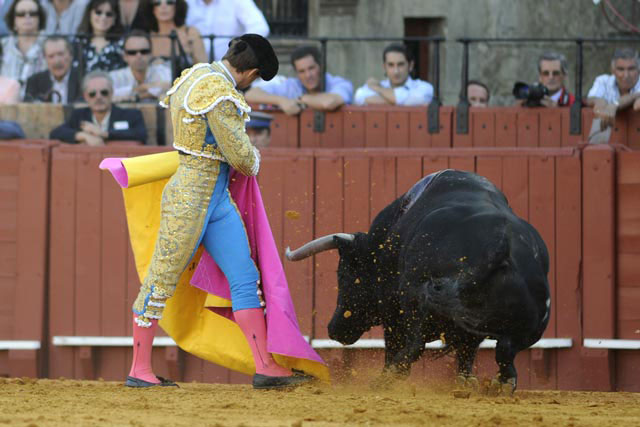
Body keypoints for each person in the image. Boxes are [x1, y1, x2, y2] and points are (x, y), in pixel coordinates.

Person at [123, 34, 313, 390]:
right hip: (193, 198)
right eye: (254, 79)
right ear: (250, 71)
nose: (251, 85)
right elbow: (243, 158)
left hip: (213, 196)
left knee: (244, 275)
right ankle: (140, 369)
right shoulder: (221, 93)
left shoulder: (193, 74)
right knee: (161, 279)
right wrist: (255, 156)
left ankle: (265, 366)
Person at [245, 45, 353, 115]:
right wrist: (281, 101)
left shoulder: (339, 83)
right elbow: (250, 94)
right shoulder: (293, 85)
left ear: (321, 66)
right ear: (296, 73)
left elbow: (329, 102)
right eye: (302, 71)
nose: (308, 75)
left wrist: (302, 99)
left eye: (311, 68)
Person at [49, 70, 147, 144]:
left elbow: (141, 134)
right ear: (85, 97)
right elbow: (56, 133)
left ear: (112, 93)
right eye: (92, 94)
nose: (98, 97)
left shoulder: (131, 115)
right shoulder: (79, 115)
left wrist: (104, 133)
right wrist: (83, 136)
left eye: (104, 92)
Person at [185, 0, 268, 61]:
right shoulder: (186, 3)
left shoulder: (238, 2)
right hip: (190, 67)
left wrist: (238, 49)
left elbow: (260, 27)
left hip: (229, 67)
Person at [353, 43, 433, 106]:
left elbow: (417, 99)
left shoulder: (424, 87)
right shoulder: (379, 85)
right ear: (384, 66)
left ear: (410, 65)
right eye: (391, 65)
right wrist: (399, 102)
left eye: (400, 64)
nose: (396, 71)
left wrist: (378, 89)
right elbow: (359, 96)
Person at [1, 0, 47, 97]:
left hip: (39, 105)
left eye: (33, 13)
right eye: (21, 14)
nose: (27, 17)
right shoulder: (2, 46)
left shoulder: (48, 45)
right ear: (13, 20)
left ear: (40, 18)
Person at [109, 30, 171, 102]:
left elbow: (170, 89)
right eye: (132, 52)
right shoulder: (114, 77)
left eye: (144, 51)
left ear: (151, 54)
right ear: (124, 56)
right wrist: (145, 88)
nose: (139, 56)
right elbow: (108, 95)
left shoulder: (163, 71)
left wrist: (136, 93)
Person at [145, 0, 207, 72]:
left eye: (169, 2)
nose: (163, 7)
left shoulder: (190, 32)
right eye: (157, 3)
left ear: (177, 6)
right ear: (152, 9)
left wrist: (190, 52)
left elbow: (204, 67)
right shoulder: (148, 37)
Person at [587, 47, 640, 130]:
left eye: (631, 69)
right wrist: (600, 101)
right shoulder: (604, 80)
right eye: (621, 69)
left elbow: (637, 105)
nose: (626, 75)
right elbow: (590, 99)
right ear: (613, 71)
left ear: (638, 70)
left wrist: (614, 105)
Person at [25, 35, 82, 103]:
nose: (57, 61)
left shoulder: (82, 80)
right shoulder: (34, 82)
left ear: (71, 55)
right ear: (45, 59)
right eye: (51, 56)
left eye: (60, 54)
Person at [75, 0, 126, 72]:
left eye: (109, 14)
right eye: (98, 12)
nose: (103, 17)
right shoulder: (78, 42)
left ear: (115, 19)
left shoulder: (123, 44)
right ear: (89, 14)